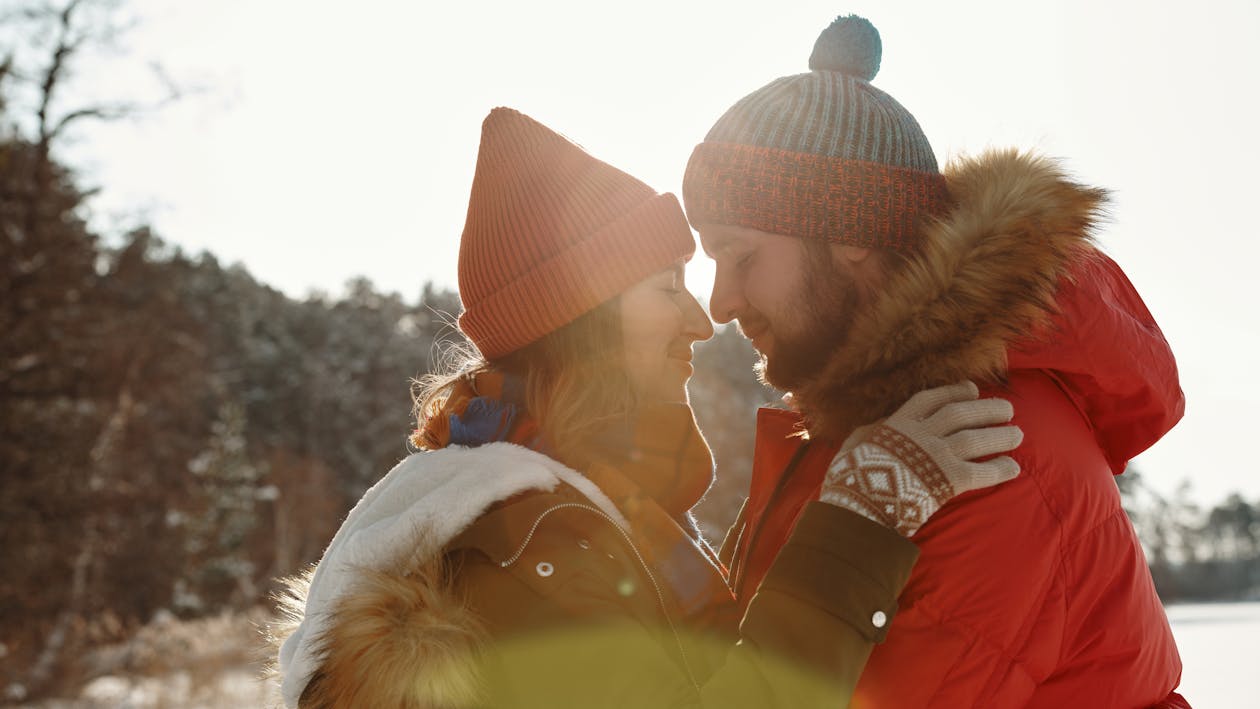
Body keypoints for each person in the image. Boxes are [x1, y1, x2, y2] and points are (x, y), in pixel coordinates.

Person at [271, 107, 1023, 708]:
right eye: (668, 287)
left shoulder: (587, 520)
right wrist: (857, 526)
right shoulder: (530, 541)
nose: (702, 320)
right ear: (587, 320)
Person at [681, 14, 1189, 709]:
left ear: (851, 233)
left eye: (740, 255)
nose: (720, 302)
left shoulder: (983, 448)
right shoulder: (886, 437)